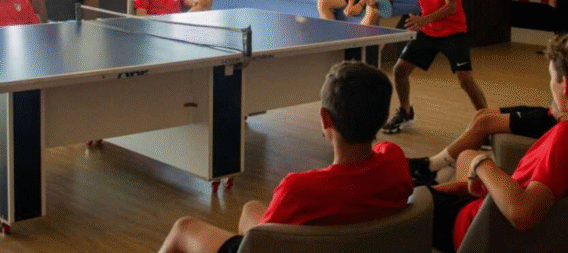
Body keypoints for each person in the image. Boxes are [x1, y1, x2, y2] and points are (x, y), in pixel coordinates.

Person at [158, 62, 413, 253]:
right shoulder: (395, 160)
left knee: (184, 227)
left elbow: (264, 245)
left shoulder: (299, 190)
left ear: (325, 119)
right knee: (251, 209)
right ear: (383, 118)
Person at [428, 31, 568, 252]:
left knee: (412, 200)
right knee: (436, 187)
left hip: (478, 227)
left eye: (552, 78)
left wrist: (481, 163)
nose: (551, 86)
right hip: (492, 211)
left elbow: (522, 214)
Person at [409, 4, 568, 185]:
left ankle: (431, 166)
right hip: (551, 113)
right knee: (482, 115)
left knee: (484, 123)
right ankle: (440, 172)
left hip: (553, 121)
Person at [381, 0, 487, 134]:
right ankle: (405, 111)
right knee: (400, 70)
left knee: (465, 80)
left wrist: (423, 19)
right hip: (428, 31)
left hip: (453, 32)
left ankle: (487, 122)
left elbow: (451, 6)